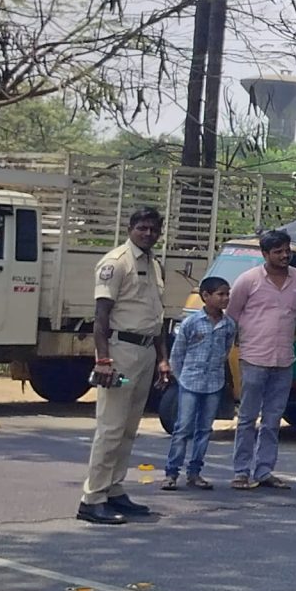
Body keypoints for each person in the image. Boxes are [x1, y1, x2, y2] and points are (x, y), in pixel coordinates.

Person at [76, 207, 171, 526]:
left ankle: (114, 490)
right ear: (130, 228)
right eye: (142, 228)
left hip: (144, 350)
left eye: (154, 229)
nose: (148, 234)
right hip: (120, 350)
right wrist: (103, 360)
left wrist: (162, 358)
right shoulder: (116, 262)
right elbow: (101, 317)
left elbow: (155, 317)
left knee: (129, 429)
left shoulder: (154, 264)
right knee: (111, 427)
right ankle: (92, 498)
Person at [226, 228, 296, 490]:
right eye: (278, 252)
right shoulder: (248, 280)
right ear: (265, 254)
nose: (285, 256)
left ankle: (264, 471)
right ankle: (241, 471)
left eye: (287, 250)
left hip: (284, 359)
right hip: (253, 358)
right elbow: (232, 315)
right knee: (248, 418)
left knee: (273, 420)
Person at [161, 276, 238, 491]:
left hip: (213, 382)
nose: (225, 298)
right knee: (183, 428)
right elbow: (178, 353)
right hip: (190, 381)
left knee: (204, 429)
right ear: (205, 296)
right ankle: (171, 472)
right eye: (220, 294)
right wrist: (179, 376)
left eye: (227, 294)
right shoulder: (191, 323)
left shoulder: (228, 325)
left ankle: (195, 472)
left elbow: (225, 351)